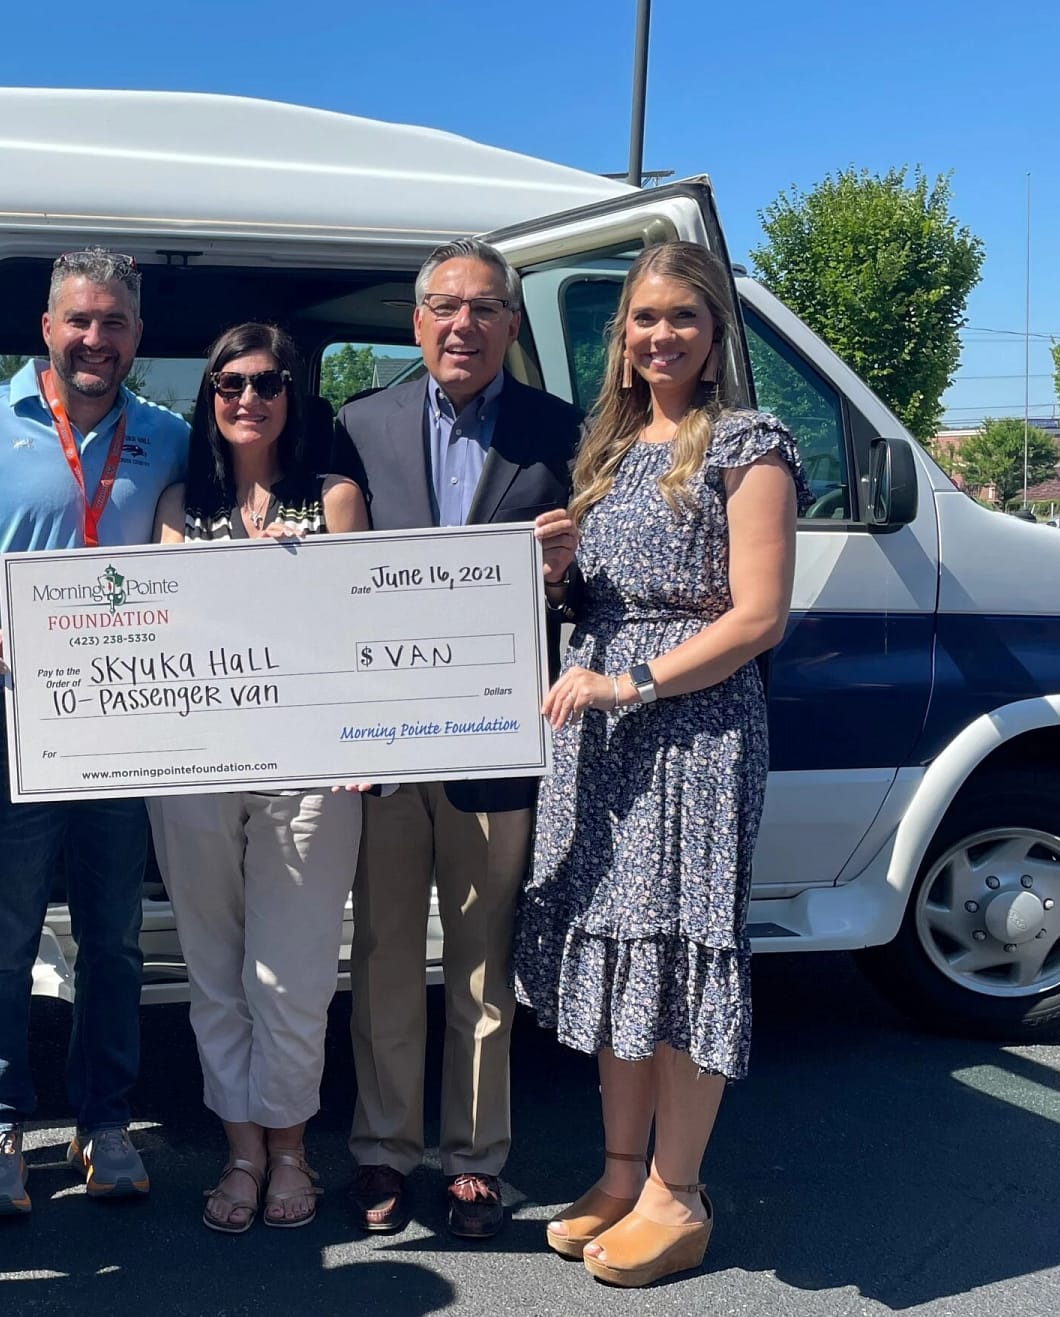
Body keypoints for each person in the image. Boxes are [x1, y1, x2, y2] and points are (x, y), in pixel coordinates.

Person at [513, 240, 805, 1287]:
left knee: (678, 956)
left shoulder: (749, 443)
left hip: (691, 735)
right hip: (601, 734)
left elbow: (760, 616)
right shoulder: (611, 448)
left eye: (683, 316)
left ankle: (679, 1194)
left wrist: (631, 684)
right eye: (644, 319)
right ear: (621, 338)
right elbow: (591, 605)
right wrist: (556, 574)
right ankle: (621, 1172)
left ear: (716, 331)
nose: (661, 335)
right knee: (618, 948)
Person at [0, 248, 189, 1216]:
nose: (96, 339)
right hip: (12, 720)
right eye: (80, 320)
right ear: (45, 327)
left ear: (137, 338)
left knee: (115, 937)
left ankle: (105, 1121)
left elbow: (204, 565)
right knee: (3, 934)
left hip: (123, 723)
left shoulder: (169, 436)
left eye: (115, 323)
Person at [329, 238, 581, 1239]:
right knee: (385, 953)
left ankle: (476, 1159)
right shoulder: (361, 425)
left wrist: (564, 574)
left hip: (494, 738)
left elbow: (593, 587)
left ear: (512, 327)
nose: (461, 326)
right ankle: (384, 1148)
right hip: (386, 746)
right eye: (443, 306)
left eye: (483, 309)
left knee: (484, 960)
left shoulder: (559, 431)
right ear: (416, 321)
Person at [145, 323, 368, 1232]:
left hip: (314, 769)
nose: (248, 397)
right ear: (210, 397)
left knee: (297, 970)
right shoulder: (174, 504)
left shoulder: (337, 498)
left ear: (293, 397)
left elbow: (359, 633)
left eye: (269, 382)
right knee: (215, 963)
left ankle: (291, 1147)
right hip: (197, 764)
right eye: (229, 382)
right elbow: (158, 632)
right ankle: (242, 1150)